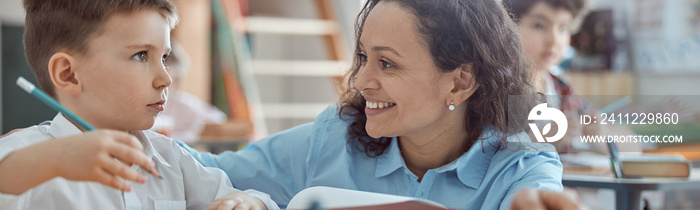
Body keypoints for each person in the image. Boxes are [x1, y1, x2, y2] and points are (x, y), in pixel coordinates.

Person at [182, 0, 583, 209]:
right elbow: (199, 172)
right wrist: (122, 140)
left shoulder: (520, 164)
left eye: (387, 63)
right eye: (363, 58)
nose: (360, 81)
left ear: (460, 81)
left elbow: (536, 194)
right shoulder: (333, 139)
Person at [0, 0, 276, 209]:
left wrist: (249, 203)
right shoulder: (25, 152)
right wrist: (53, 159)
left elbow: (249, 197)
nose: (165, 79)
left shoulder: (171, 159)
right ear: (68, 74)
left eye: (165, 57)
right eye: (141, 56)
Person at [502, 0, 641, 153]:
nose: (553, 40)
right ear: (510, 25)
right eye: (539, 26)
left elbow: (635, 146)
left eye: (563, 28)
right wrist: (538, 139)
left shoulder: (561, 88)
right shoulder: (496, 87)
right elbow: (482, 155)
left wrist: (601, 134)